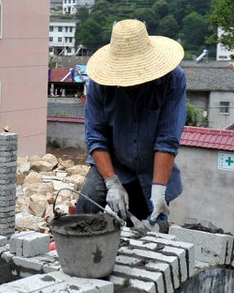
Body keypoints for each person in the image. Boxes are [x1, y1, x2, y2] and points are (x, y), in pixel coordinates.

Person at [74, 19, 187, 229]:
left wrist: (159, 191)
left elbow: (167, 139)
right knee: (87, 205)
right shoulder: (100, 83)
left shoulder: (173, 80)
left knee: (153, 229)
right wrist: (112, 183)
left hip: (152, 167)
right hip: (114, 161)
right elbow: (96, 136)